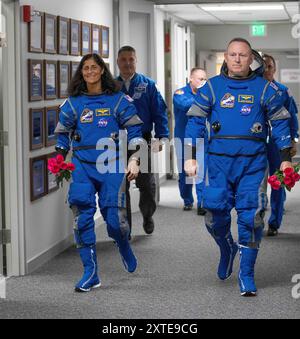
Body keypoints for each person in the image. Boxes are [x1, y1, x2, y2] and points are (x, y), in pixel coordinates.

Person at [185, 38, 293, 297]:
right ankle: (227, 248)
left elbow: (280, 126)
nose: (237, 59)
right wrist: (191, 156)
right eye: (232, 55)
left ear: (251, 58)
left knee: (252, 217)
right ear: (225, 57)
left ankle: (246, 273)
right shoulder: (212, 88)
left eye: (242, 55)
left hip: (253, 164)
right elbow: (195, 123)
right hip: (218, 163)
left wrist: (286, 157)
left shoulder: (265, 89)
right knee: (214, 216)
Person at [54, 53, 144, 292]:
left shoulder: (117, 100)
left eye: (94, 67)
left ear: (102, 70)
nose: (90, 72)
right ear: (81, 73)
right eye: (85, 68)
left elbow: (135, 132)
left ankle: (122, 241)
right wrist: (58, 160)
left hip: (111, 163)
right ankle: (90, 272)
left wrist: (135, 159)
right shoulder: (73, 103)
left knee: (114, 220)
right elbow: (62, 135)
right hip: (82, 164)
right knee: (82, 216)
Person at [116, 46, 169, 235]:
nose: (127, 63)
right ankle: (125, 227)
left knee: (145, 184)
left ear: (136, 61)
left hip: (142, 140)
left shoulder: (148, 85)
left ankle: (147, 214)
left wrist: (162, 137)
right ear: (117, 62)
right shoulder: (111, 87)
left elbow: (159, 112)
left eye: (131, 59)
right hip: (117, 143)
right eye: (123, 60)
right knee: (121, 184)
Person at [263, 54, 299, 236]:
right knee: (256, 183)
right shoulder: (252, 89)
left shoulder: (283, 91)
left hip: (279, 145)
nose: (266, 70)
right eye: (263, 67)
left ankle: (274, 223)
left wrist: (294, 140)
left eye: (269, 66)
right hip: (259, 145)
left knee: (278, 184)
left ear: (274, 69)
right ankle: (257, 215)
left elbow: (292, 118)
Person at [173, 68, 208, 215]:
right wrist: (203, 99)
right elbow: (186, 105)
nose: (203, 82)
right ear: (191, 79)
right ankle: (187, 200)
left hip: (201, 137)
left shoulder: (206, 94)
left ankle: (202, 202)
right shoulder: (180, 93)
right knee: (184, 172)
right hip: (183, 139)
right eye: (200, 79)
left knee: (201, 170)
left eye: (205, 79)